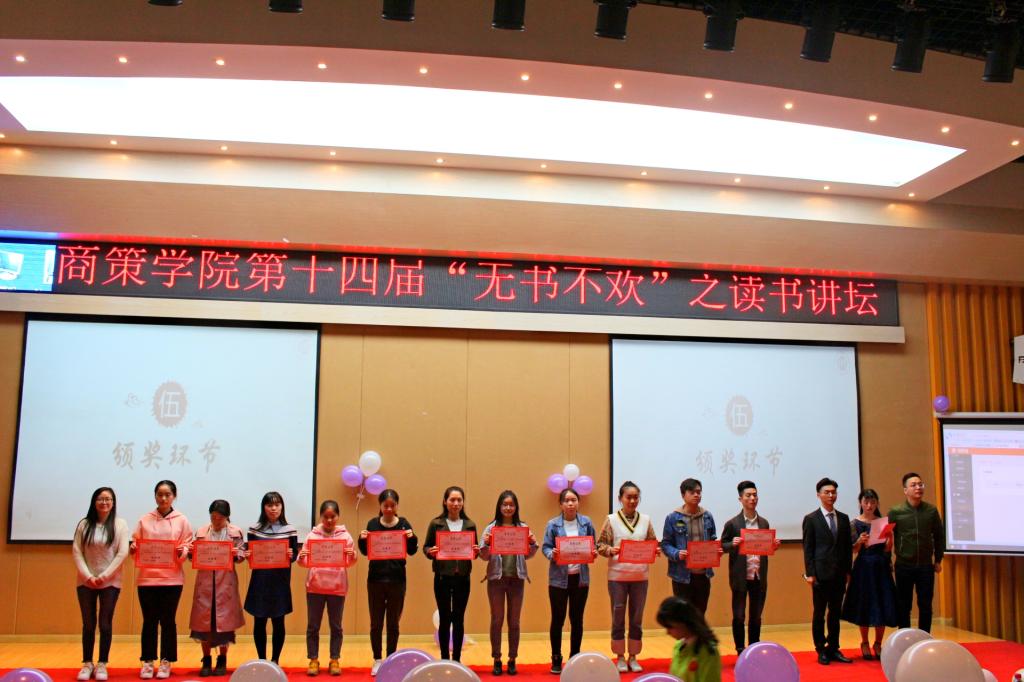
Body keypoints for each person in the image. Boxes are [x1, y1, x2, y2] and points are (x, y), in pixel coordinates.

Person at [131, 480, 193, 680]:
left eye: (168, 494)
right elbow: (136, 545)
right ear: (155, 496)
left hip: (172, 580)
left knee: (168, 621)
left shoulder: (182, 520)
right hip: (147, 579)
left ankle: (166, 661)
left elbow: (188, 546)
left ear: (174, 496)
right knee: (149, 620)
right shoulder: (145, 520)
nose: (163, 498)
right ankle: (148, 661)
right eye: (160, 494)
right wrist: (134, 548)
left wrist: (183, 551)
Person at [596, 481, 658, 673]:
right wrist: (610, 550)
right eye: (628, 497)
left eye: (635, 497)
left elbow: (652, 542)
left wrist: (655, 550)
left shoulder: (646, 520)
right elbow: (600, 545)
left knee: (637, 618)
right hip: (617, 577)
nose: (632, 501)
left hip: (640, 576)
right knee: (618, 617)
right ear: (620, 499)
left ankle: (633, 656)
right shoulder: (611, 519)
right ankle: (620, 656)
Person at [357, 489, 418, 677]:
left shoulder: (404, 524)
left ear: (397, 506)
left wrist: (412, 537)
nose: (389, 509)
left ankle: (391, 658)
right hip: (375, 580)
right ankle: (377, 659)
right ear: (380, 506)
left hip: (397, 580)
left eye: (392, 505)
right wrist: (362, 540)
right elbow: (365, 552)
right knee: (376, 623)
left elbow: (412, 550)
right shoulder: (372, 524)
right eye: (386, 505)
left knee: (393, 623)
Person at [73, 487, 130, 682]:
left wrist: (105, 575)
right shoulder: (84, 524)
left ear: (113, 503)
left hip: (110, 582)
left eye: (108, 499)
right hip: (86, 581)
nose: (104, 502)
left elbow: (122, 553)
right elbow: (77, 551)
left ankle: (102, 663)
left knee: (105, 623)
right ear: (94, 502)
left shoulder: (120, 524)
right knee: (88, 623)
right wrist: (88, 576)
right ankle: (87, 663)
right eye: (100, 499)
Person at [479, 490, 538, 676]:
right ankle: (497, 659)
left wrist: (533, 543)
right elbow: (483, 555)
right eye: (504, 504)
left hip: (517, 580)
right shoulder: (490, 528)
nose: (508, 508)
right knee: (497, 620)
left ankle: (512, 659)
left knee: (514, 621)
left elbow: (528, 554)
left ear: (516, 507)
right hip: (496, 580)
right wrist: (486, 545)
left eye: (511, 505)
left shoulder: (523, 528)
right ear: (499, 507)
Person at [719, 480, 781, 655]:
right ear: (740, 499)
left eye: (755, 495)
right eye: (748, 495)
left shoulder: (764, 523)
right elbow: (721, 546)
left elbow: (765, 547)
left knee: (756, 616)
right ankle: (740, 649)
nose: (753, 498)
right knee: (739, 616)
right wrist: (732, 544)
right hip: (740, 576)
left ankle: (754, 648)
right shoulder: (733, 523)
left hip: (758, 575)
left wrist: (773, 546)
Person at [541, 487, 598, 674]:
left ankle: (575, 657)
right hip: (558, 580)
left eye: (574, 500)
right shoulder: (553, 524)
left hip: (580, 579)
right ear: (561, 504)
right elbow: (545, 547)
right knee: (557, 620)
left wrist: (594, 552)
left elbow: (594, 545)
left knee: (577, 620)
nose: (571, 503)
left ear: (578, 502)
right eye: (567, 500)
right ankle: (556, 658)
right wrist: (552, 554)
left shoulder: (586, 522)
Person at [298, 500, 357, 676]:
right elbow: (304, 563)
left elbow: (350, 563)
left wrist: (352, 556)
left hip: (337, 588)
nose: (329, 520)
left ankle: (334, 659)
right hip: (315, 587)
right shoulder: (312, 536)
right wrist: (301, 557)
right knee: (313, 626)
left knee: (336, 627)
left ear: (338, 516)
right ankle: (313, 660)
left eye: (333, 516)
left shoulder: (346, 537)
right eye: (326, 517)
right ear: (321, 517)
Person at [188, 500, 246, 677]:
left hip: (225, 583)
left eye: (220, 517)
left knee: (224, 624)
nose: (216, 520)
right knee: (203, 624)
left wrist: (236, 555)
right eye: (213, 516)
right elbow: (192, 555)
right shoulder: (201, 532)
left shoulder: (235, 533)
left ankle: (222, 659)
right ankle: (206, 659)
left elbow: (242, 554)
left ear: (227, 517)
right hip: (205, 583)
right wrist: (191, 552)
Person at [423, 485, 479, 662]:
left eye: (459, 500)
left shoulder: (470, 525)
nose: (456, 503)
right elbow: (426, 547)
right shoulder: (436, 524)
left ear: (463, 502)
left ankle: (457, 659)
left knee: (459, 619)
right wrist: (430, 552)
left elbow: (474, 551)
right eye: (452, 500)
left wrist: (475, 552)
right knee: (445, 618)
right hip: (442, 577)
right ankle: (444, 658)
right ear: (445, 502)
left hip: (463, 577)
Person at [801, 477, 853, 666]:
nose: (831, 495)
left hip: (839, 574)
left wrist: (848, 571)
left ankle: (833, 647)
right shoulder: (811, 519)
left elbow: (847, 548)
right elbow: (808, 549)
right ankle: (821, 649)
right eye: (827, 492)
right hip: (820, 575)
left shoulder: (844, 518)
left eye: (833, 492)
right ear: (819, 495)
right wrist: (811, 573)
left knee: (835, 613)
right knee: (819, 614)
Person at [841, 489, 897, 660]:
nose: (869, 505)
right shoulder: (854, 523)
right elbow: (852, 550)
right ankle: (864, 642)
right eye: (866, 502)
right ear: (861, 503)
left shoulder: (881, 522)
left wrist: (890, 538)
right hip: (863, 567)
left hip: (881, 567)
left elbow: (887, 549)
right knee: (864, 604)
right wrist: (859, 541)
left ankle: (878, 643)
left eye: (873, 502)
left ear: (877, 503)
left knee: (882, 603)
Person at [243, 491, 298, 665]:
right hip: (260, 582)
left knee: (278, 621)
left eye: (277, 504)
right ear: (263, 507)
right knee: (259, 621)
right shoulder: (254, 529)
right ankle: (262, 660)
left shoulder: (290, 530)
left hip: (280, 582)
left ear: (282, 507)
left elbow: (294, 556)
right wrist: (248, 555)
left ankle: (275, 661)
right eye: (269, 505)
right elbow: (251, 554)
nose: (273, 508)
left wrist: (292, 555)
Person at [888, 472, 945, 633]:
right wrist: (888, 560)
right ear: (905, 490)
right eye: (913, 485)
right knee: (904, 605)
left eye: (920, 484)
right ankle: (904, 637)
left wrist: (938, 559)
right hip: (903, 565)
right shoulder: (895, 512)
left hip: (926, 566)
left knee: (925, 605)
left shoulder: (931, 511)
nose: (918, 487)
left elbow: (939, 536)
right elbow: (886, 537)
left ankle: (924, 638)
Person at [661, 478, 721, 615]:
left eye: (699, 492)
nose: (696, 495)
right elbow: (665, 544)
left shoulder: (707, 516)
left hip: (703, 575)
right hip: (682, 576)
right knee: (683, 616)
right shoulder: (673, 518)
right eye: (692, 492)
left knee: (700, 614)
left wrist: (717, 551)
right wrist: (677, 553)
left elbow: (713, 539)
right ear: (683, 495)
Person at [656, 596, 723, 682]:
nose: (667, 632)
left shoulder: (708, 651)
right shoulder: (679, 646)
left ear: (684, 623)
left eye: (670, 627)